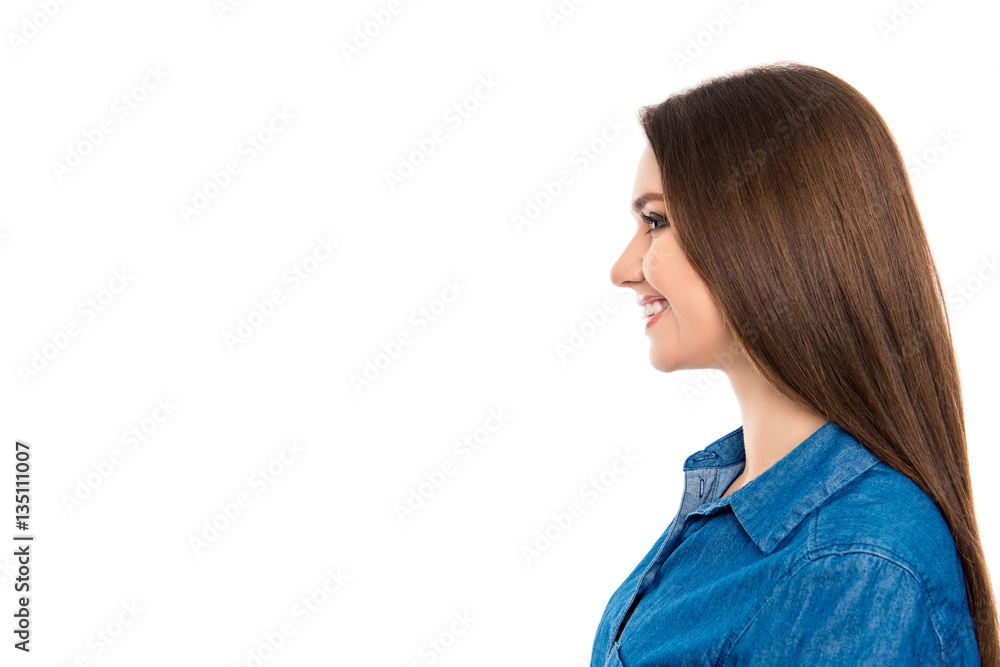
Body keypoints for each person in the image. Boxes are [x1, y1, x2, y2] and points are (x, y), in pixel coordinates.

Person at [593, 61, 997, 666]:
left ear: (763, 234)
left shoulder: (851, 565)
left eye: (656, 222)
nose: (623, 270)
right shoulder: (738, 495)